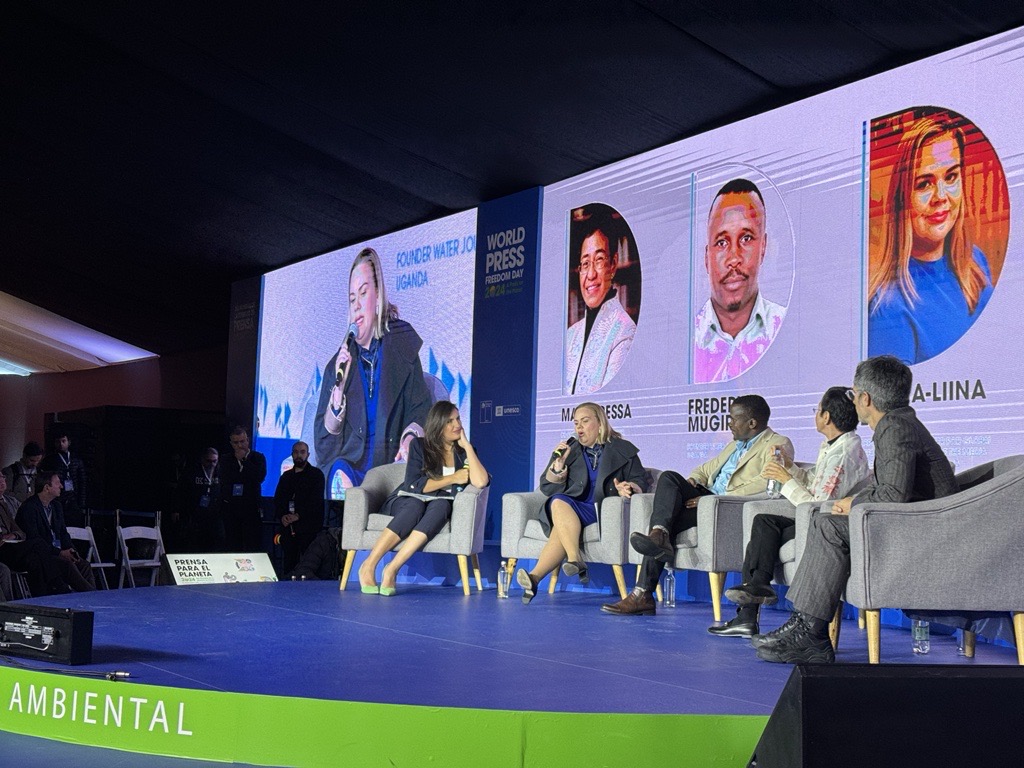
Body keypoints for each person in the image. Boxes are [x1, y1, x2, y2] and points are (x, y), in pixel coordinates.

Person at [755, 356, 958, 664]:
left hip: (927, 531)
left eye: (853, 394)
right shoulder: (899, 422)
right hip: (920, 522)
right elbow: (895, 488)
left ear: (866, 398)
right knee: (827, 522)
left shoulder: (895, 427)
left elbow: (894, 494)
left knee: (827, 525)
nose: (853, 401)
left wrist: (855, 502)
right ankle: (805, 626)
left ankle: (810, 632)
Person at [602, 395, 793, 616]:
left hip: (724, 507)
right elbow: (704, 469)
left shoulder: (778, 444)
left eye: (733, 419)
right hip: (706, 500)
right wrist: (693, 481)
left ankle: (642, 593)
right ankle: (657, 540)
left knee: (666, 521)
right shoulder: (735, 445)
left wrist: (712, 499)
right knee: (669, 481)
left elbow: (767, 480)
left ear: (752, 423)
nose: (729, 423)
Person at [708, 387, 872, 638]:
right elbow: (813, 481)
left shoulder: (845, 453)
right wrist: (790, 469)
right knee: (764, 522)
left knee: (767, 529)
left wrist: (786, 480)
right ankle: (753, 600)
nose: (816, 414)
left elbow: (818, 503)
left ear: (826, 417)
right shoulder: (832, 446)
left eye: (817, 410)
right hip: (812, 517)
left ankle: (750, 607)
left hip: (826, 523)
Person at [868, 112, 994, 365]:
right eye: (924, 184)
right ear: (902, 197)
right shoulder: (887, 307)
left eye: (951, 177)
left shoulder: (975, 261)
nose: (941, 196)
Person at [314, 247, 433, 499]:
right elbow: (324, 447)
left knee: (401, 481)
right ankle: (344, 533)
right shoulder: (337, 364)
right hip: (351, 468)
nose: (356, 306)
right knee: (340, 479)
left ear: (378, 296)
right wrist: (336, 402)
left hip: (389, 464)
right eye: (351, 298)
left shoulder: (403, 345)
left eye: (363, 293)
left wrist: (411, 437)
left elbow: (421, 408)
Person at [515, 402, 646, 604]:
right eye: (576, 423)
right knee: (558, 503)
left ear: (600, 423)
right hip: (573, 506)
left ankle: (539, 576)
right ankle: (571, 561)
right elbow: (546, 488)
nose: (579, 428)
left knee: (560, 521)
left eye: (585, 422)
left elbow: (640, 480)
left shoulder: (622, 449)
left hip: (601, 508)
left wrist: (627, 487)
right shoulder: (570, 449)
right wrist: (558, 469)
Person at [357, 401, 487, 596]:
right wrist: (452, 478)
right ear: (438, 424)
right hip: (407, 499)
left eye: (458, 419)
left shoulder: (464, 452)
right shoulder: (420, 445)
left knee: (443, 506)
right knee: (415, 506)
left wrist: (467, 446)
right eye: (449, 421)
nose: (457, 425)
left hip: (439, 503)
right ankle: (369, 564)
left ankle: (392, 568)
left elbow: (481, 482)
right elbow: (414, 484)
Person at [694, 179, 786, 383]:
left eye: (746, 239)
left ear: (763, 247)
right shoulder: (686, 339)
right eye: (722, 242)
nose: (734, 258)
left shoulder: (785, 327)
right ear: (707, 256)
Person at [565, 209, 636, 394]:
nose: (590, 275)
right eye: (585, 264)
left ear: (613, 264)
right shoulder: (570, 335)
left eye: (599, 260)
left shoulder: (624, 332)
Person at [15, 472, 95, 592]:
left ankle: (88, 597)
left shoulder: (56, 506)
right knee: (67, 565)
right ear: (47, 487)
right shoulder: (29, 508)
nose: (61, 486)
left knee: (84, 565)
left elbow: (63, 533)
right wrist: (60, 553)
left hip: (58, 552)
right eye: (57, 483)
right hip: (42, 556)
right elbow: (34, 539)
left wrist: (70, 550)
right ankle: (91, 595)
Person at [0, 472, 69, 596]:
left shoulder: (4, 504)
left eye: (3, 477)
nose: (2, 480)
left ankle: (41, 599)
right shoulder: (29, 506)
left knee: (34, 560)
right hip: (2, 549)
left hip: (11, 545)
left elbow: (19, 531)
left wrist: (14, 535)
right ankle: (58, 585)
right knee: (38, 543)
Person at [274, 441, 326, 574]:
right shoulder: (286, 477)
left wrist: (298, 515)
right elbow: (279, 499)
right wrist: (282, 516)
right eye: (296, 452)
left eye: (302, 452)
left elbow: (316, 501)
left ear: (308, 454)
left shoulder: (316, 475)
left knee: (309, 563)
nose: (299, 455)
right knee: (289, 563)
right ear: (292, 455)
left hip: (308, 528)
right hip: (288, 528)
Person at [220, 427, 267, 552]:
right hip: (232, 508)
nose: (240, 445)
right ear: (231, 444)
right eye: (236, 443)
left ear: (247, 440)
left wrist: (244, 461)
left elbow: (259, 477)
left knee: (252, 544)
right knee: (232, 544)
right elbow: (225, 479)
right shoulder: (225, 459)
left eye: (242, 441)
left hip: (251, 508)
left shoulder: (258, 457)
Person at [40, 430, 88, 526]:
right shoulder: (50, 460)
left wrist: (82, 503)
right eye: (58, 442)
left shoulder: (76, 459)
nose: (61, 444)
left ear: (68, 442)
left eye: (63, 441)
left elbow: (82, 482)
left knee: (74, 525)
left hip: (73, 498)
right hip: (56, 498)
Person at [181, 447, 224, 552]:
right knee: (196, 541)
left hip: (215, 513)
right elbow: (182, 490)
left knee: (217, 540)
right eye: (209, 461)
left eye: (215, 461)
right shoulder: (192, 471)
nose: (212, 464)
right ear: (203, 459)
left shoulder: (221, 471)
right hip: (196, 512)